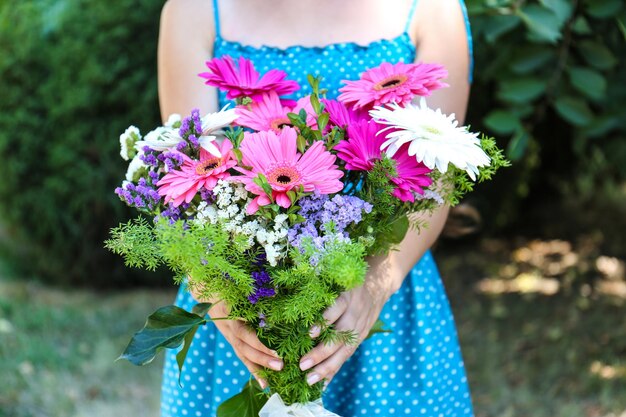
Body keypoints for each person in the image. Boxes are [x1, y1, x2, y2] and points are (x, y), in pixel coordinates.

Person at [158, 0, 474, 416]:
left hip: (381, 299)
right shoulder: (195, 9)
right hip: (244, 306)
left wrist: (375, 284)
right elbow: (187, 180)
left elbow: (436, 186)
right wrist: (220, 295)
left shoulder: (431, 8)